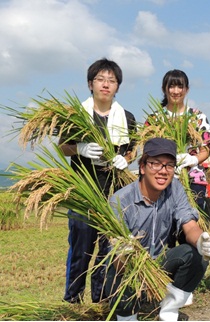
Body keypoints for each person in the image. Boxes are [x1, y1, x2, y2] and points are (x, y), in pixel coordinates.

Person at [105, 137, 210, 321]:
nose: (163, 171)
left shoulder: (175, 189)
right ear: (142, 167)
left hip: (158, 265)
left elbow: (189, 225)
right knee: (118, 272)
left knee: (196, 255)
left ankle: (169, 310)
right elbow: (117, 260)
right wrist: (125, 253)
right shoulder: (120, 201)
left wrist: (202, 240)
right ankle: (127, 314)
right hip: (127, 268)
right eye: (155, 164)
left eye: (169, 165)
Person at [59, 58, 136, 304]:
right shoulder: (76, 114)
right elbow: (63, 146)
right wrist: (79, 148)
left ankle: (101, 298)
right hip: (83, 191)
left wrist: (126, 159)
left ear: (117, 87)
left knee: (107, 249)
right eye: (100, 80)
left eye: (111, 81)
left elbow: (133, 149)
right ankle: (73, 298)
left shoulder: (127, 117)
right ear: (90, 84)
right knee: (81, 246)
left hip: (114, 192)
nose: (106, 84)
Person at [145, 69, 210, 306]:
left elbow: (207, 147)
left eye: (180, 86)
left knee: (190, 227)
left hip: (192, 180)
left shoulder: (196, 116)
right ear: (165, 89)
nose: (176, 91)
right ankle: (163, 282)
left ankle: (184, 285)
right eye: (171, 86)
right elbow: (146, 148)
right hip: (162, 181)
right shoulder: (155, 119)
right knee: (165, 231)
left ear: (187, 89)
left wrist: (193, 159)